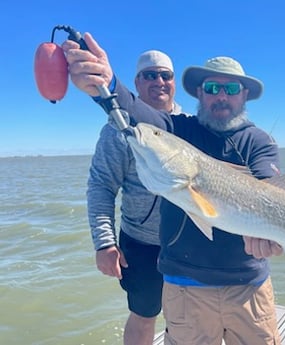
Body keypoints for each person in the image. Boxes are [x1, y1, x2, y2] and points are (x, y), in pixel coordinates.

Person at [64, 33, 283, 345]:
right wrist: (108, 86)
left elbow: (267, 183)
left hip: (228, 269)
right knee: (143, 315)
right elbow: (128, 132)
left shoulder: (243, 138)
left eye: (231, 88)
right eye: (212, 88)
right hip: (159, 258)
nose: (221, 95)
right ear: (199, 93)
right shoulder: (159, 129)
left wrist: (271, 229)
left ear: (244, 95)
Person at [87, 49, 183, 345]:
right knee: (144, 316)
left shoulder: (190, 128)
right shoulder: (117, 131)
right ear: (136, 84)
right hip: (141, 245)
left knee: (188, 317)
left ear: (173, 82)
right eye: (149, 75)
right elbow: (101, 187)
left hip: (188, 244)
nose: (159, 81)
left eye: (165, 75)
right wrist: (105, 243)